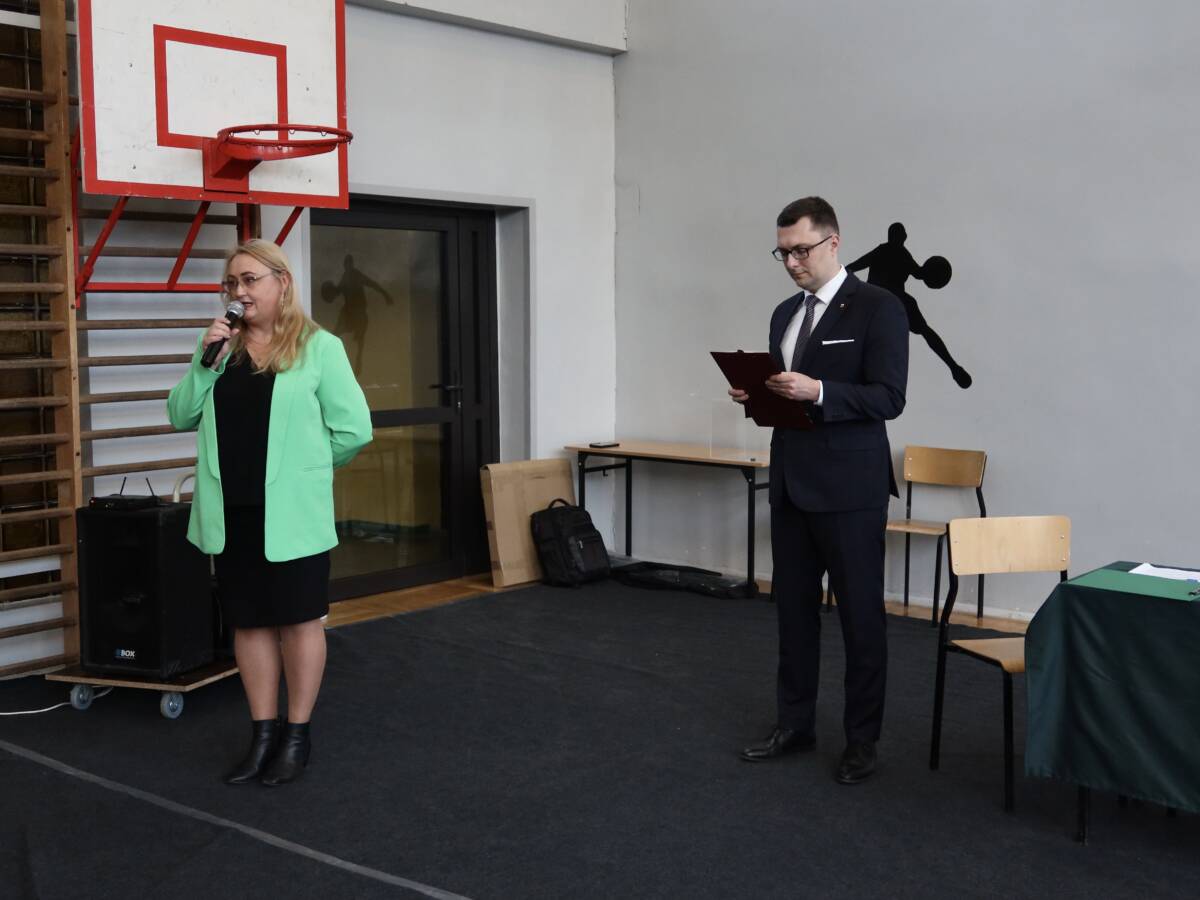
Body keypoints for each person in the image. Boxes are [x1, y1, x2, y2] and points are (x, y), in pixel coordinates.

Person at [167, 239, 373, 786]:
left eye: (249, 279)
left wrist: (306, 471)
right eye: (231, 283)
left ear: (282, 283)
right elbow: (180, 415)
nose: (238, 291)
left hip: (293, 515)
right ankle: (262, 734)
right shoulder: (218, 349)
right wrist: (205, 362)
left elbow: (355, 430)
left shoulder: (319, 347)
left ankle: (296, 735)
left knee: (299, 621)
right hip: (232, 512)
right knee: (250, 622)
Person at [731, 197, 908, 784]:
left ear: (833, 242)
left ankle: (862, 741)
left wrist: (821, 392)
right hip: (791, 484)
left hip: (852, 491)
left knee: (861, 621)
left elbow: (889, 398)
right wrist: (757, 394)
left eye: (801, 250)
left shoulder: (878, 307)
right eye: (782, 253)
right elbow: (786, 396)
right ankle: (795, 725)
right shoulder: (785, 313)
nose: (791, 263)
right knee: (793, 617)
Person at [846, 222, 971, 388]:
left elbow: (855, 266)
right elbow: (857, 265)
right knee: (923, 329)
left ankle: (953, 366)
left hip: (880, 298)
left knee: (923, 329)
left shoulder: (898, 254)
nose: (898, 237)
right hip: (882, 297)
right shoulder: (891, 252)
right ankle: (953, 366)